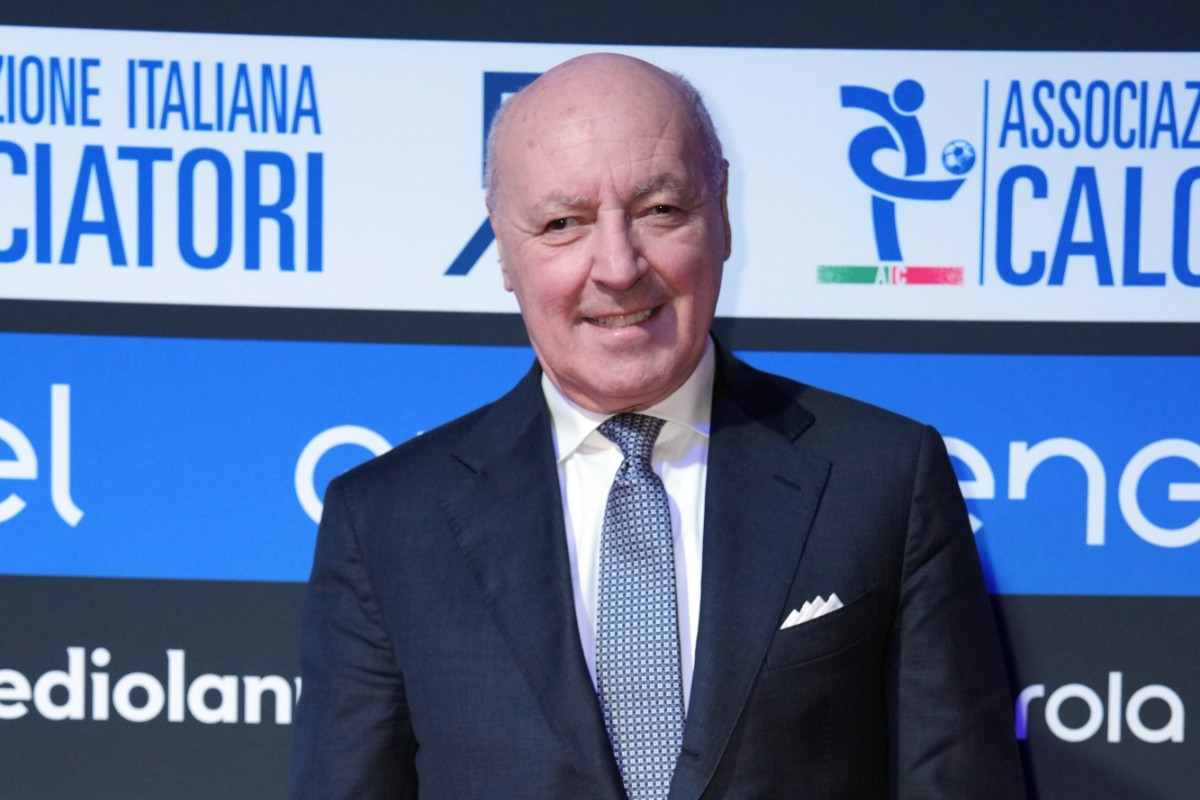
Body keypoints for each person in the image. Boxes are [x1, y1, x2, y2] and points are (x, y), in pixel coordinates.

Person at [290, 53, 1025, 799]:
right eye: (563, 223)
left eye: (659, 210)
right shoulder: (385, 521)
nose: (617, 266)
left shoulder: (884, 479)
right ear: (504, 248)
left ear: (722, 211)